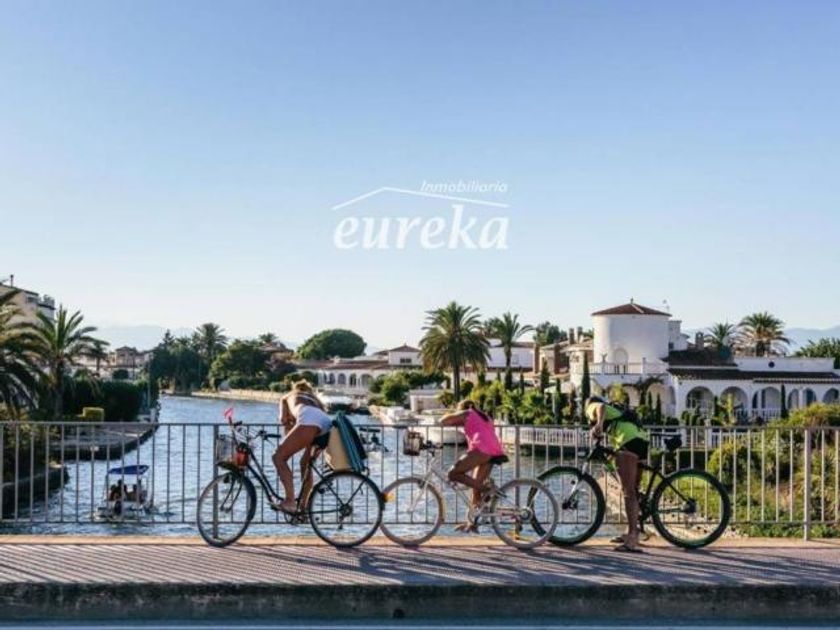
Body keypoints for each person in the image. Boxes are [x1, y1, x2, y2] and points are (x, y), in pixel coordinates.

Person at [585, 395, 649, 553]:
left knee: (628, 492)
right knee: (633, 489)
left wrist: (598, 424)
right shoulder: (616, 412)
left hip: (628, 440)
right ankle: (632, 531)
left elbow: (600, 407)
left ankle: (632, 538)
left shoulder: (593, 406)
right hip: (641, 439)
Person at [440, 400, 507, 532]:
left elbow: (443, 421)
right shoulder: (483, 416)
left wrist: (454, 415)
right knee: (475, 487)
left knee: (453, 474)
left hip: (482, 449)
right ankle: (472, 524)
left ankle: (487, 489)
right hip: (493, 450)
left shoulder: (467, 413)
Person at [271, 380, 332, 513]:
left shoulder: (287, 397)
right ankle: (303, 508)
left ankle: (290, 501)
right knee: (305, 464)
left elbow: (283, 420)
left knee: (278, 457)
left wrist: (288, 435)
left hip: (309, 420)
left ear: (295, 388)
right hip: (326, 424)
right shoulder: (314, 400)